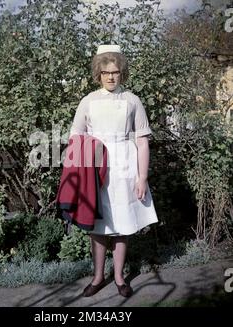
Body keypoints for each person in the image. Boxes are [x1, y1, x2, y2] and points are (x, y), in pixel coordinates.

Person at [69, 44, 158, 298]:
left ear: (122, 73)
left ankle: (119, 277)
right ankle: (98, 277)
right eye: (106, 72)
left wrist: (142, 177)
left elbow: (142, 140)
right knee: (97, 224)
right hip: (96, 169)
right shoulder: (88, 101)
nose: (111, 77)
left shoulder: (132, 100)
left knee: (122, 224)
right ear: (98, 73)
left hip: (125, 168)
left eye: (116, 72)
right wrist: (79, 176)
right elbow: (75, 135)